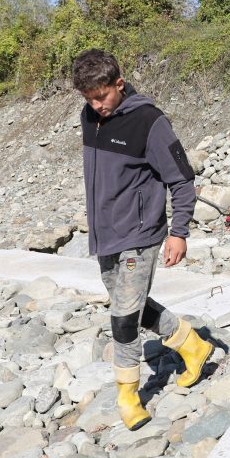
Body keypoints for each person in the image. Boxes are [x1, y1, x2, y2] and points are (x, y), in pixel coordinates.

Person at [73, 49, 214, 431]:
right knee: (129, 305)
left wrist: (179, 232)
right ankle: (192, 344)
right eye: (88, 98)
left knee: (122, 318)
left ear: (119, 83)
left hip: (141, 234)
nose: (96, 105)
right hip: (105, 235)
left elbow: (182, 179)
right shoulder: (90, 115)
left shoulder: (150, 122)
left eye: (101, 96)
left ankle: (128, 395)